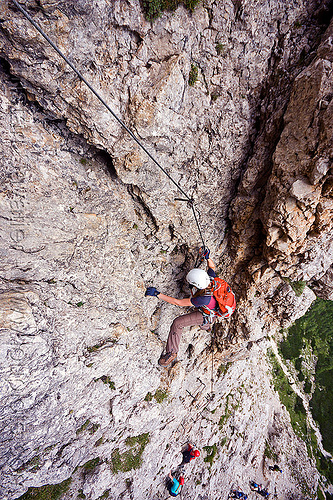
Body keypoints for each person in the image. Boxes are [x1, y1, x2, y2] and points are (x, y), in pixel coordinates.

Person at [145, 247, 220, 366]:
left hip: (206, 313)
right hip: (212, 309)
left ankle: (172, 353)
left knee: (178, 323)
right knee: (205, 317)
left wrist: (157, 294)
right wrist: (207, 257)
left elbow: (178, 302)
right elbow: (212, 267)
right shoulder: (211, 280)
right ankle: (207, 325)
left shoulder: (203, 298)